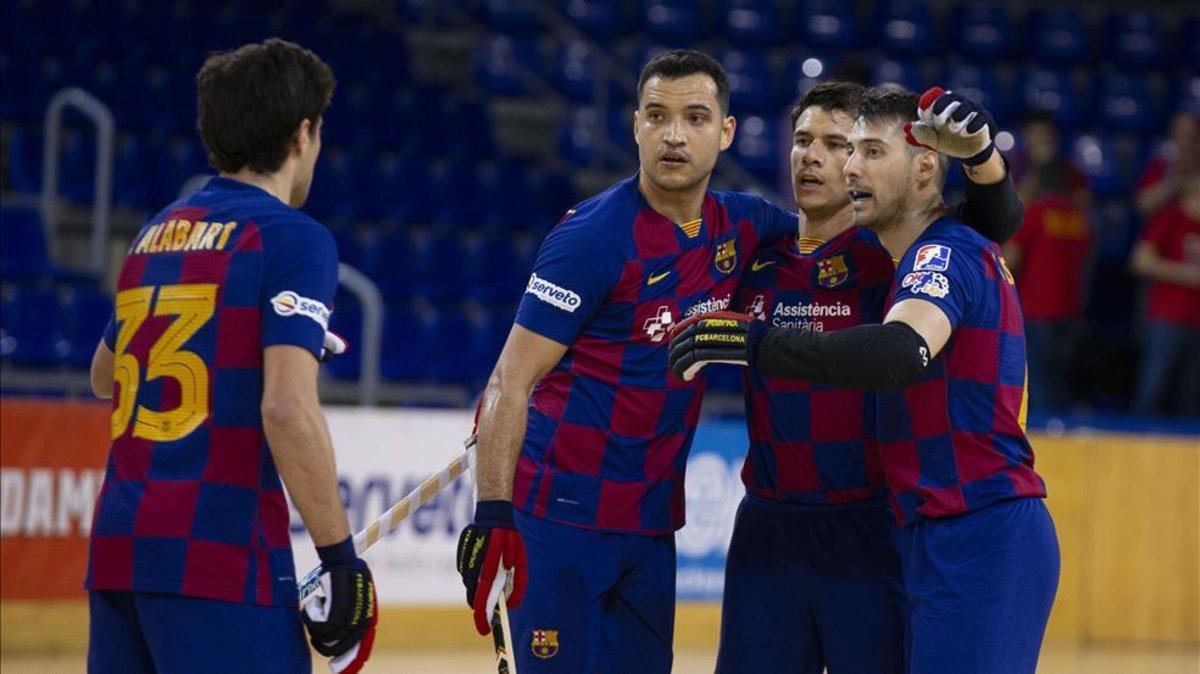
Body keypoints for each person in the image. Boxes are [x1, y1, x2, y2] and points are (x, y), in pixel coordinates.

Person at [671, 87, 1059, 674]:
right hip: (919, 525)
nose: (844, 164)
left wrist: (983, 158)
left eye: (863, 149)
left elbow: (900, 350)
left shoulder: (941, 253)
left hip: (969, 521)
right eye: (817, 144)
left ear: (925, 164)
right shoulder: (796, 246)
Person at [454, 49, 800, 673]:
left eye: (695, 118)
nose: (674, 134)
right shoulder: (591, 239)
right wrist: (493, 515)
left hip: (650, 527)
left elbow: (830, 244)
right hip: (561, 521)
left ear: (725, 132)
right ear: (634, 124)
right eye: (657, 115)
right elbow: (510, 381)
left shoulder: (744, 225)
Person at [86, 39, 375, 674]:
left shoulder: (154, 232)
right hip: (218, 555)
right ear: (303, 135)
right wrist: (340, 558)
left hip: (119, 550)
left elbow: (104, 375)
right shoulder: (293, 239)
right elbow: (287, 409)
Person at [1004, 110, 1093, 412]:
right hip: (1070, 308)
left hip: (1036, 308)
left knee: (1038, 385)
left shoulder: (1035, 213)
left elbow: (1010, 258)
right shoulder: (1080, 219)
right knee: (1058, 381)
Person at [1129, 173, 1200, 416]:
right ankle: (1138, 445)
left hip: (1196, 321)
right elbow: (1140, 260)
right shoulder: (1171, 218)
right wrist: (1187, 274)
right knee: (1152, 390)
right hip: (1167, 319)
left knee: (1190, 397)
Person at [1134, 111, 1200, 220]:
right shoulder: (1159, 165)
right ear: (1172, 138)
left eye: (1190, 137)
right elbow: (1143, 205)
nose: (1185, 143)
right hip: (1161, 232)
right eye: (1180, 136)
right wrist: (1175, 183)